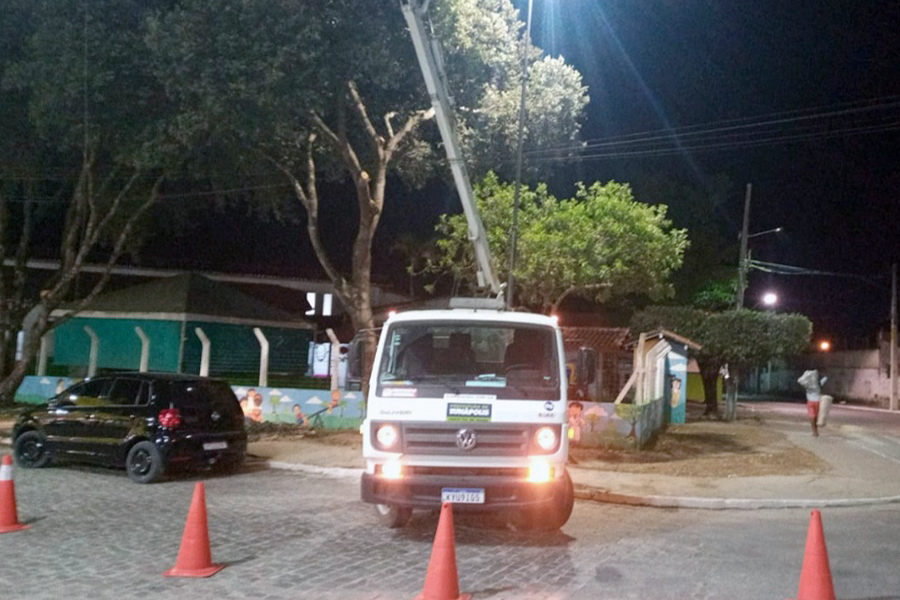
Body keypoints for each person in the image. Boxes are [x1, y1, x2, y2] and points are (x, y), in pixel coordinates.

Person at [797, 369, 828, 437]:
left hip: (810, 401)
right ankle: (815, 430)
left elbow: (800, 381)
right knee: (816, 416)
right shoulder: (819, 383)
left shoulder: (807, 384)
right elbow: (825, 378)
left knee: (811, 416)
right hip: (818, 401)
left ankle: (814, 431)